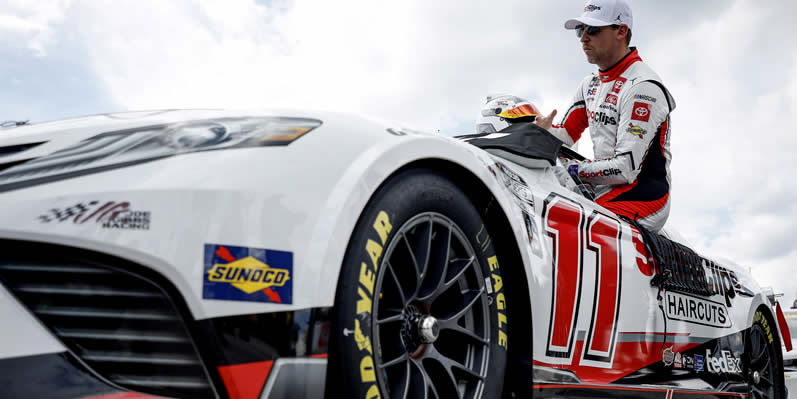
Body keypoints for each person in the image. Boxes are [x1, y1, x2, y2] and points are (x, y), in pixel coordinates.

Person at [536, 0, 675, 232]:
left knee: (576, 225)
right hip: (605, 186)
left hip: (643, 194)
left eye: (592, 30)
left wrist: (572, 170)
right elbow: (567, 135)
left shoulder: (643, 86)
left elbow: (624, 169)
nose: (583, 38)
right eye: (581, 30)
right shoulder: (590, 84)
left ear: (621, 31)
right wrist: (541, 133)